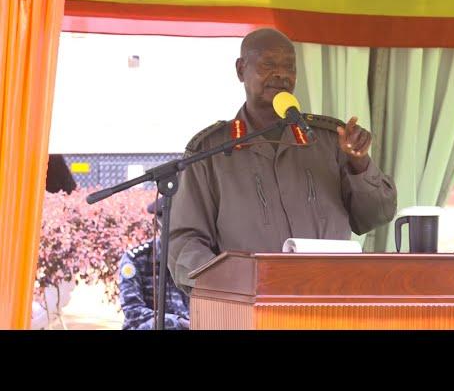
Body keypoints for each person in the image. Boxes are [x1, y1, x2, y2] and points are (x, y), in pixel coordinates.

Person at [168, 28, 397, 293]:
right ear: (241, 70)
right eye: (268, 64)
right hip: (251, 304)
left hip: (330, 298)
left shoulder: (329, 139)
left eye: (289, 66)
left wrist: (360, 163)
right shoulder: (210, 151)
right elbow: (185, 241)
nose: (281, 74)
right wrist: (227, 284)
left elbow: (376, 216)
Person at [118, 200, 190, 330]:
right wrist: (179, 322)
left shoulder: (194, 259)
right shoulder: (136, 260)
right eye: (169, 226)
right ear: (156, 224)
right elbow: (133, 312)